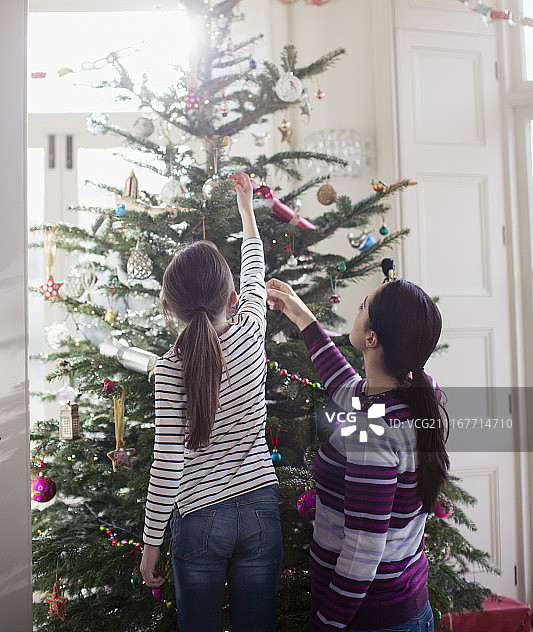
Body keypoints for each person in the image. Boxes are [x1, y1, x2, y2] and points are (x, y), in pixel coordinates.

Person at [266, 276, 450, 632]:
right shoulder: (406, 396)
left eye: (364, 304)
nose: (358, 307)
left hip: (370, 618)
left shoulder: (373, 432)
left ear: (372, 339)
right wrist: (303, 317)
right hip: (404, 604)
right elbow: (344, 384)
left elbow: (362, 552)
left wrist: (326, 623)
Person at [140, 171, 282, 632]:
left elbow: (166, 463)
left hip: (198, 518)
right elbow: (256, 267)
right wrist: (246, 209)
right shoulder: (252, 331)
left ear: (168, 306)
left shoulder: (168, 368)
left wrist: (151, 544)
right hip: (260, 509)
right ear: (233, 296)